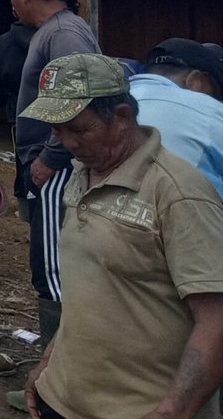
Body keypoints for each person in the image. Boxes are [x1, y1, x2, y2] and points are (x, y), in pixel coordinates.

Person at [20, 53, 223, 419]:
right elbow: (90, 288)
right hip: (63, 401)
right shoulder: (82, 174)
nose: (68, 143)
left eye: (79, 129)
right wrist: (49, 365)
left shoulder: (177, 193)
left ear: (123, 118)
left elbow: (216, 319)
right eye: (57, 131)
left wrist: (173, 411)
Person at [7, 0, 97, 348]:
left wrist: (50, 157)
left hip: (57, 168)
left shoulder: (62, 34)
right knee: (52, 263)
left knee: (52, 267)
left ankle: (58, 376)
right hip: (53, 162)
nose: (12, 6)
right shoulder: (59, 30)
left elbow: (78, 96)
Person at [128, 38, 223, 198]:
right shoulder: (208, 109)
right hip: (187, 215)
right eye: (215, 93)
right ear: (197, 81)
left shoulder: (113, 100)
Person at [0, 18, 34, 123]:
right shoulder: (63, 37)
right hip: (60, 119)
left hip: (18, 114)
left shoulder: (3, 43)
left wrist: (8, 101)